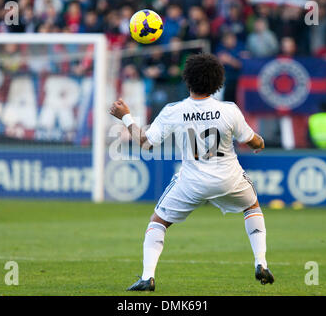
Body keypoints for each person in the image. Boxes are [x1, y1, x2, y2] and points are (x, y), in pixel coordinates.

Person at [109, 53, 274, 291]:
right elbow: (254, 142)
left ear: (187, 80)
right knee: (252, 207)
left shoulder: (174, 110)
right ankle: (261, 262)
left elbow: (145, 142)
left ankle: (147, 277)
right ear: (218, 82)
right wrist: (259, 143)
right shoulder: (229, 110)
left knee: (158, 222)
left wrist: (125, 117)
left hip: (191, 181)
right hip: (229, 178)